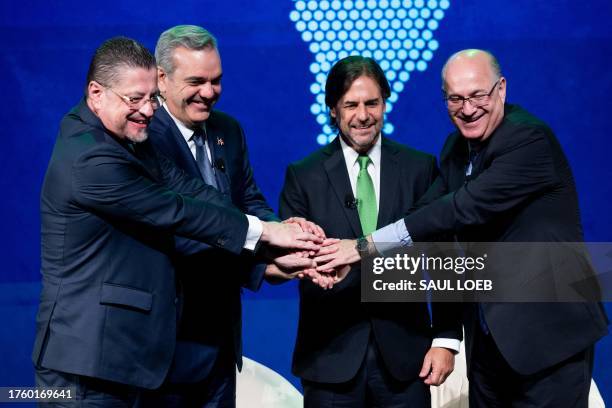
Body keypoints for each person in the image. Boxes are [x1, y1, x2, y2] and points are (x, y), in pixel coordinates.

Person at [33, 36, 323, 406]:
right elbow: (176, 211)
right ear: (96, 93)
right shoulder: (91, 157)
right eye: (134, 99)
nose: (148, 110)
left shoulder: (126, 139)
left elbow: (192, 191)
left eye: (150, 98)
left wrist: (273, 238)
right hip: (84, 366)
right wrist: (265, 233)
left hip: (124, 359)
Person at [314, 49, 609, 407]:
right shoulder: (457, 147)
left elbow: (458, 209)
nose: (467, 109)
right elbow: (426, 214)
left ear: (501, 89)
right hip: (488, 347)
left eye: (477, 95)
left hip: (548, 342)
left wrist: (362, 247)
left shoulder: (529, 141)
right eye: (455, 98)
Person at [146, 24, 314, 406]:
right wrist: (263, 262)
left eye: (216, 80)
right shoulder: (144, 136)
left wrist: (283, 229)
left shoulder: (229, 131)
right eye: (196, 81)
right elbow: (180, 232)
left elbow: (249, 202)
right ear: (161, 79)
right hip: (167, 346)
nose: (209, 93)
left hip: (222, 343)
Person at [279, 56, 462, 408]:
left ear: (384, 103)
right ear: (333, 109)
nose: (363, 115)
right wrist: (311, 265)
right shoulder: (303, 176)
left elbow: (444, 258)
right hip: (330, 359)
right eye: (351, 105)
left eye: (372, 103)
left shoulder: (419, 168)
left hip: (406, 359)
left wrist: (445, 337)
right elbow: (294, 255)